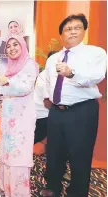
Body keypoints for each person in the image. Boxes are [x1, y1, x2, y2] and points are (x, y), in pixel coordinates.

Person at [41, 13, 106, 197]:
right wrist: (48, 98)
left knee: (80, 155)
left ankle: (77, 192)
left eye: (77, 27)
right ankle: (52, 187)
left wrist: (72, 73)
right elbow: (46, 80)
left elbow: (96, 76)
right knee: (54, 153)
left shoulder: (96, 53)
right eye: (68, 29)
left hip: (82, 111)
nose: (72, 32)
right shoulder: (53, 58)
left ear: (84, 31)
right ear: (62, 34)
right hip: (56, 112)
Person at [0, 36, 38, 197]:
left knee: (18, 153)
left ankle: (18, 192)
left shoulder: (29, 65)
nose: (12, 48)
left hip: (22, 118)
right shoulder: (9, 68)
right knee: (7, 152)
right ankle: (7, 189)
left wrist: (5, 83)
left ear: (23, 47)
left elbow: (25, 88)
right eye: (8, 46)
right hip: (8, 118)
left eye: (16, 44)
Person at [33, 51, 57, 155]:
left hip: (44, 114)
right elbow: (47, 103)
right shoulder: (45, 77)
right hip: (42, 116)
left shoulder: (53, 75)